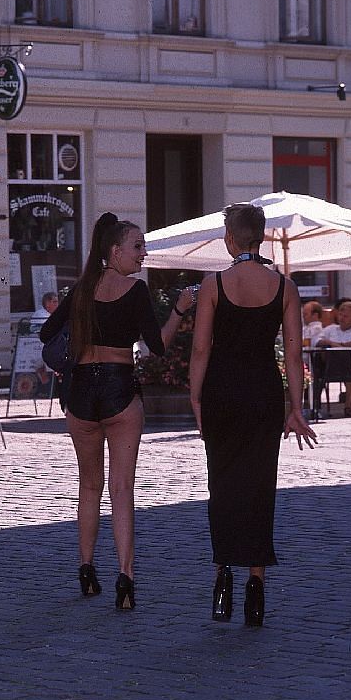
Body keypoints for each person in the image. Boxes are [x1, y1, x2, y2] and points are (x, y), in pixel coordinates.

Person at [39, 212, 194, 610]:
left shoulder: (80, 290)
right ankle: (125, 575)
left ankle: (86, 568)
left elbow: (45, 332)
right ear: (116, 250)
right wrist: (179, 309)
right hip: (119, 387)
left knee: (89, 486)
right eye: (138, 246)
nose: (143, 254)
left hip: (80, 392)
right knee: (122, 489)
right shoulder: (135, 289)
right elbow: (157, 346)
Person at [189, 203, 317, 627]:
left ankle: (223, 576)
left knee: (222, 484)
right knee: (260, 485)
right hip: (264, 392)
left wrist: (195, 398)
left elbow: (201, 348)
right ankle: (256, 586)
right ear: (259, 237)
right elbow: (294, 352)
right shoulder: (285, 287)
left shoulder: (212, 284)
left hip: (222, 391)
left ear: (229, 238)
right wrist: (296, 408)